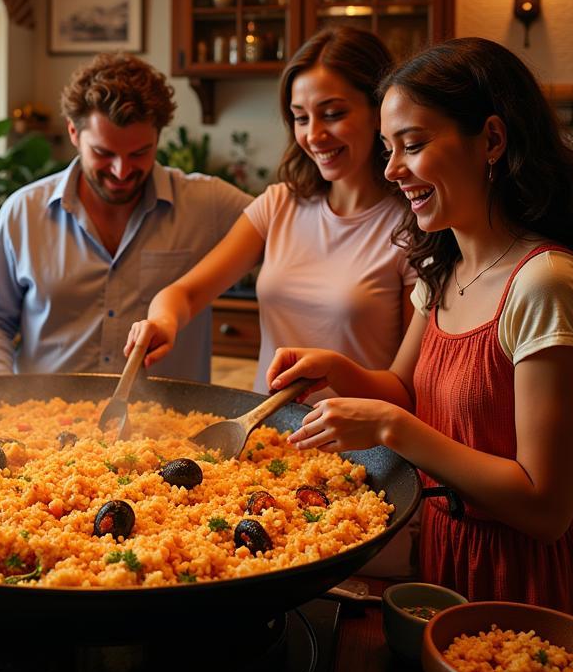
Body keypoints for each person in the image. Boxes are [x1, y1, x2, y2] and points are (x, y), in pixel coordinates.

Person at [270, 38, 573, 616]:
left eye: (412, 146)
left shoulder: (544, 283)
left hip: (523, 578)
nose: (392, 170)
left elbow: (547, 508)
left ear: (492, 139)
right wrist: (336, 369)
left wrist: (394, 429)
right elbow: (406, 390)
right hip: (445, 550)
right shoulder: (444, 268)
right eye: (389, 149)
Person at [127, 27, 415, 396]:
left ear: (379, 111)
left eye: (332, 113)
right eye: (300, 118)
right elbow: (183, 294)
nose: (314, 135)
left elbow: (407, 388)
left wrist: (334, 372)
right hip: (267, 435)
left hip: (359, 447)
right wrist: (162, 322)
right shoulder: (279, 205)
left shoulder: (411, 226)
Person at [0, 52, 251, 383]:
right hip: (44, 426)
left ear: (158, 137)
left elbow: (290, 224)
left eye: (139, 153)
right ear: (74, 132)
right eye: (103, 153)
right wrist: (2, 397)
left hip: (171, 429)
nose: (122, 170)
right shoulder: (23, 212)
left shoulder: (206, 203)